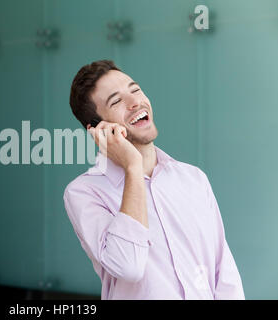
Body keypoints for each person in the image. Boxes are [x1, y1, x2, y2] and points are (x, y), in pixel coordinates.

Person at [63, 60, 245, 300]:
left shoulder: (193, 179)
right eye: (116, 101)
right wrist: (132, 167)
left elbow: (224, 272)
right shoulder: (84, 192)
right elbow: (128, 266)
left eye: (135, 90)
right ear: (98, 128)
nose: (135, 102)